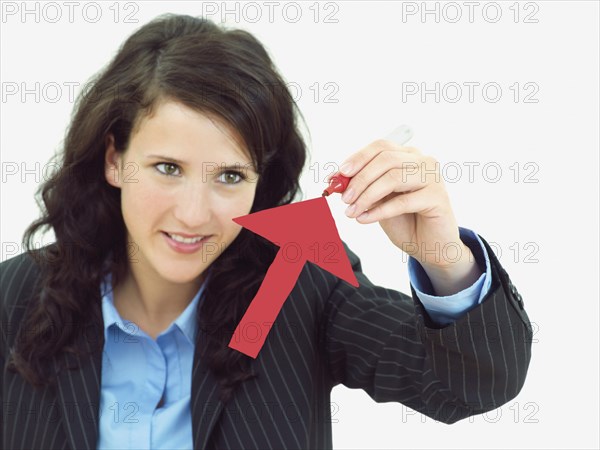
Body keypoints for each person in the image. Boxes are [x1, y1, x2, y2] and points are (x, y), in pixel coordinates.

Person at [0, 13, 533, 450]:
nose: (192, 214)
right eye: (167, 168)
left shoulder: (299, 283)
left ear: (262, 181)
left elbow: (471, 384)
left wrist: (441, 252)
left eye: (230, 176)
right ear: (115, 159)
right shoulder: (12, 297)